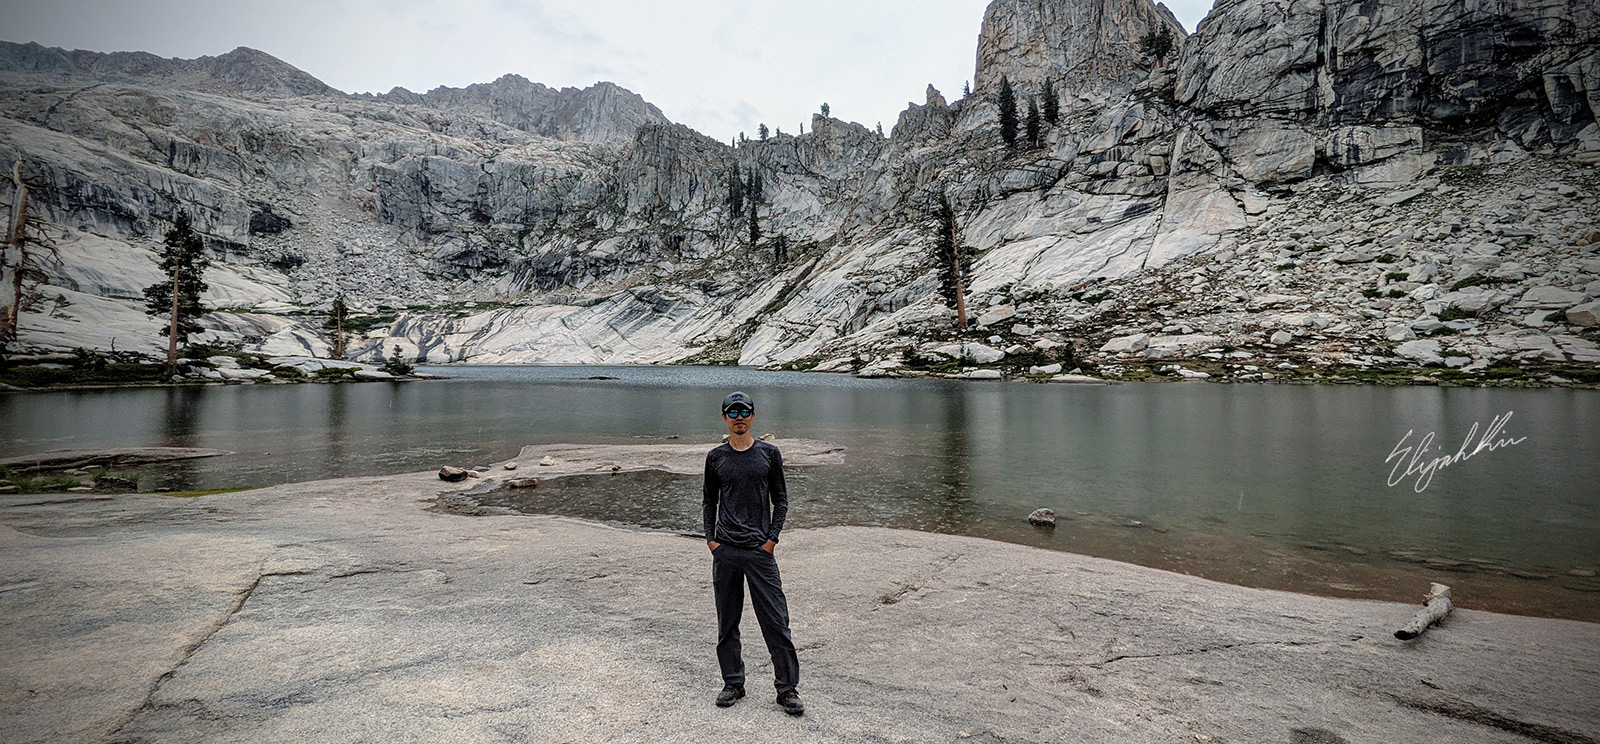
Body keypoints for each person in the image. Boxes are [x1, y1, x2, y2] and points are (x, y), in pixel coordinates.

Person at [703, 391, 803, 715]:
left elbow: (781, 500)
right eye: (732, 412)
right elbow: (709, 501)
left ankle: (787, 689)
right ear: (724, 418)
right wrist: (711, 540)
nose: (738, 416)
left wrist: (771, 539)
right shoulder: (716, 457)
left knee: (776, 621)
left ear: (753, 416)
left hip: (760, 552)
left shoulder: (769, 454)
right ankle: (733, 683)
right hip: (727, 551)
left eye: (744, 411)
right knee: (727, 623)